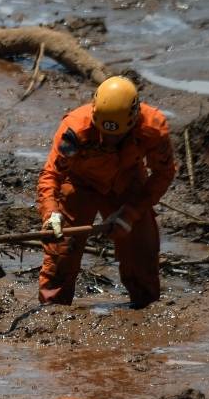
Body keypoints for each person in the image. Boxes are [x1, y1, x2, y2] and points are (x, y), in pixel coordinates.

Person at [35, 76, 176, 308]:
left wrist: (131, 213)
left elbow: (163, 174)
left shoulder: (152, 128)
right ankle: (53, 309)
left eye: (117, 136)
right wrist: (51, 214)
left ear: (134, 120)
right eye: (104, 133)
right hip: (80, 185)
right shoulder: (75, 129)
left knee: (142, 251)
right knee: (62, 249)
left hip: (127, 184)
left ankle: (146, 305)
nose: (109, 141)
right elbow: (51, 176)